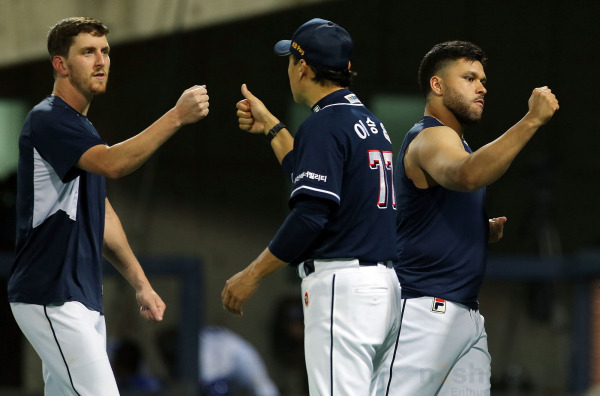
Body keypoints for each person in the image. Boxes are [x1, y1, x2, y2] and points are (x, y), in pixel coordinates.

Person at [7, 16, 209, 395]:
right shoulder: (49, 119)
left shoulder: (82, 128)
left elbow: (101, 213)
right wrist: (177, 116)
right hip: (52, 295)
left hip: (79, 297)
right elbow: (114, 164)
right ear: (60, 65)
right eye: (87, 52)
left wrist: (140, 283)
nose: (101, 61)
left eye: (105, 52)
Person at [221, 18, 402, 395]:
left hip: (343, 288)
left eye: (290, 60)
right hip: (382, 287)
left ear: (302, 67)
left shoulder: (325, 125)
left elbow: (310, 215)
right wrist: (271, 125)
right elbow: (313, 176)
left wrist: (251, 275)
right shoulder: (367, 121)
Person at [378, 41, 559, 395]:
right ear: (438, 86)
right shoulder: (429, 136)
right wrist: (532, 119)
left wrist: (477, 229)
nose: (481, 87)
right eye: (469, 77)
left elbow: (432, 208)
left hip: (465, 317)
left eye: (483, 80)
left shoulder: (459, 144)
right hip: (424, 313)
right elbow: (467, 175)